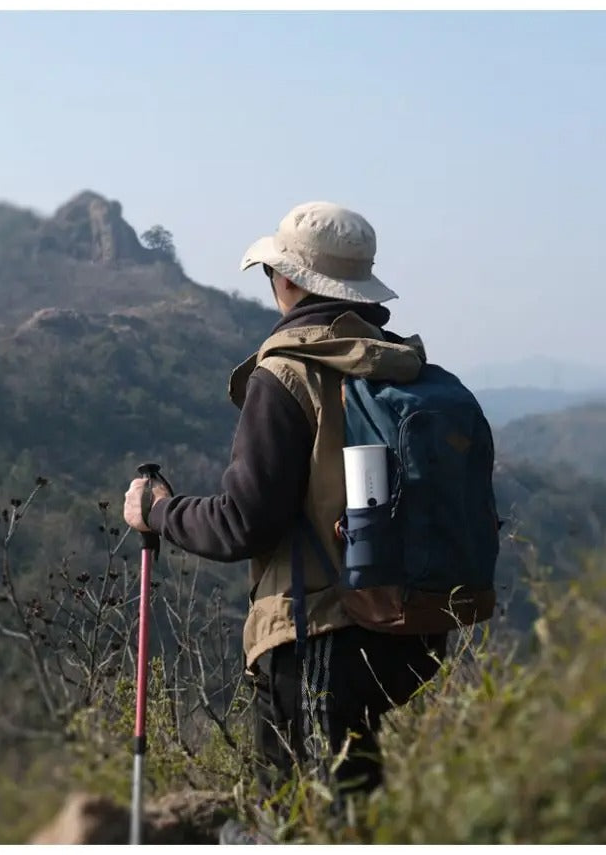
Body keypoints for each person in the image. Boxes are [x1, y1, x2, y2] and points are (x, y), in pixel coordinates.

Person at [123, 201, 447, 840]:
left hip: (319, 630)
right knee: (349, 810)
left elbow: (243, 523)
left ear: (290, 281)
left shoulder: (288, 374)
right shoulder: (399, 366)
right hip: (411, 626)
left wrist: (159, 512)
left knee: (305, 821)